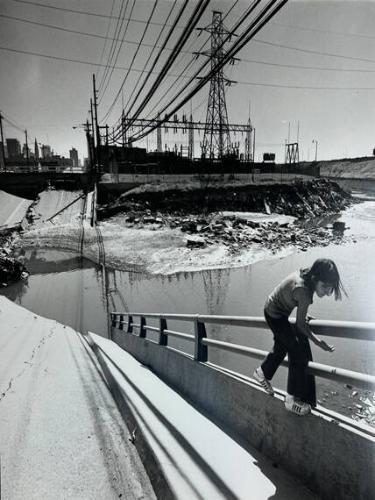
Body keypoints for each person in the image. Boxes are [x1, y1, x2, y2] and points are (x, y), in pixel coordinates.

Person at [253, 258, 346, 416]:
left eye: (329, 288)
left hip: (276, 309)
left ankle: (261, 373)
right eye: (324, 286)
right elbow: (301, 325)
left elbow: (293, 300)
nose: (325, 292)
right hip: (275, 315)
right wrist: (319, 342)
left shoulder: (307, 277)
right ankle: (290, 400)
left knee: (283, 345)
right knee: (297, 353)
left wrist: (302, 314)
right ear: (315, 279)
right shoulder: (304, 290)